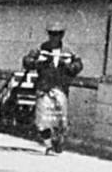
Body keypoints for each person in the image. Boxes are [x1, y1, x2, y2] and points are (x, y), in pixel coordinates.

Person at [22, 22, 83, 155]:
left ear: (62, 35)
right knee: (43, 120)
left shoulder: (68, 51)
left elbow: (78, 65)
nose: (55, 37)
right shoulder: (41, 49)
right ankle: (48, 142)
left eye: (58, 34)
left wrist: (68, 66)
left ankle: (58, 140)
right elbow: (27, 61)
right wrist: (38, 62)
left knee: (61, 119)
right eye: (52, 34)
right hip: (44, 88)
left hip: (61, 88)